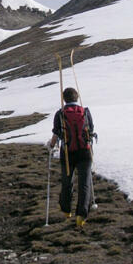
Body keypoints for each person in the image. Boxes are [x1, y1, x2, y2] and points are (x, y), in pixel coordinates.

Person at [46, 87, 94, 228]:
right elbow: (90, 130)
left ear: (64, 99)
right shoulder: (85, 112)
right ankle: (81, 215)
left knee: (67, 181)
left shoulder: (60, 114)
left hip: (67, 152)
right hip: (85, 152)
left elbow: (56, 133)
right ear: (77, 97)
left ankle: (66, 210)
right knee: (84, 183)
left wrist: (51, 145)